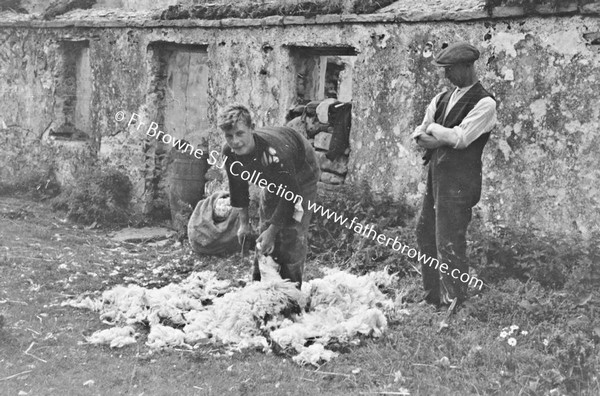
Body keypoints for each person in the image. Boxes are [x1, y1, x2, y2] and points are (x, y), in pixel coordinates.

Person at [411, 42, 497, 309]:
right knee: (425, 232)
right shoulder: (442, 98)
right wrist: (440, 136)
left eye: (450, 70)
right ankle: (432, 297)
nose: (446, 76)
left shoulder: (485, 102)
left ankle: (455, 301)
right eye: (444, 70)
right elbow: (418, 134)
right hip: (436, 176)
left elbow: (461, 139)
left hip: (461, 180)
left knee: (449, 240)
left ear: (467, 66)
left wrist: (435, 129)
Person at [218, 104, 320, 288]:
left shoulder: (274, 153)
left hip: (301, 171)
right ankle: (261, 285)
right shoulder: (229, 152)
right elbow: (238, 186)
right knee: (264, 227)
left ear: (252, 128)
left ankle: (291, 292)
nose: (235, 142)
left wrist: (273, 232)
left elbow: (291, 195)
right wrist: (244, 223)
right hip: (272, 175)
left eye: (240, 134)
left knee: (292, 232)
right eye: (229, 136)